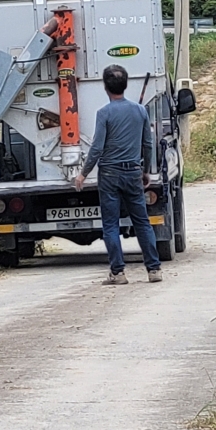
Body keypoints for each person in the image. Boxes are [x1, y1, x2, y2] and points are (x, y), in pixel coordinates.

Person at [74, 65, 163, 285]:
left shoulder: (104, 113)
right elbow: (147, 144)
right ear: (125, 84)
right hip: (133, 171)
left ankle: (118, 272)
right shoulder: (140, 111)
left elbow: (97, 148)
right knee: (142, 221)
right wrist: (145, 170)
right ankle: (154, 269)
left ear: (105, 87)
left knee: (111, 224)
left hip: (110, 174)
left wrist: (83, 174)